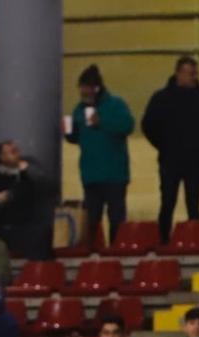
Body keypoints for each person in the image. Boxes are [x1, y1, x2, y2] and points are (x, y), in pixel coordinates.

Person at [140, 56, 199, 243]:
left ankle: (196, 240)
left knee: (194, 204)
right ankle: (163, 241)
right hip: (170, 159)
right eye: (189, 73)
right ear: (178, 74)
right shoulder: (161, 98)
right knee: (167, 202)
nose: (192, 77)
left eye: (194, 73)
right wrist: (163, 145)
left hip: (195, 160)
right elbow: (148, 125)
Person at [66, 66, 135, 248]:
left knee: (116, 218)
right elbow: (76, 138)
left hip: (115, 174)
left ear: (96, 88)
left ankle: (116, 251)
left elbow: (127, 126)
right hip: (91, 175)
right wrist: (67, 131)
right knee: (91, 220)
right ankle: (91, 254)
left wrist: (102, 122)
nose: (83, 92)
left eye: (86, 88)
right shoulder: (79, 110)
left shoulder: (115, 105)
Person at [0, 139, 51, 259]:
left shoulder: (28, 172)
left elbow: (46, 184)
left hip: (28, 226)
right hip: (1, 227)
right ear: (1, 157)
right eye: (12, 152)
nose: (17, 154)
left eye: (16, 151)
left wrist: (27, 170)